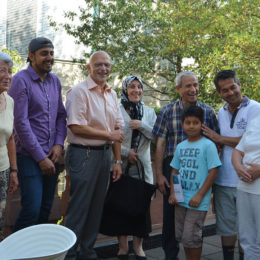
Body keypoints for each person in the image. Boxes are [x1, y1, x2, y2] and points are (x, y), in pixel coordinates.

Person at [152, 71, 219, 260]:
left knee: (195, 215)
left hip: (199, 172)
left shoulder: (208, 111)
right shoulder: (167, 111)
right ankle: (171, 255)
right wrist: (159, 175)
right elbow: (160, 144)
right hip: (173, 170)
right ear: (178, 89)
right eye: (188, 86)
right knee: (172, 214)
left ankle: (193, 251)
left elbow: (216, 142)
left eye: (195, 85)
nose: (193, 89)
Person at [64, 51, 125, 260]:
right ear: (88, 68)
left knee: (96, 208)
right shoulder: (79, 92)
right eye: (98, 64)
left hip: (105, 155)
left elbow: (117, 129)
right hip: (84, 155)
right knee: (79, 208)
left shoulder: (112, 93)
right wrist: (108, 134)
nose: (103, 69)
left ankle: (87, 253)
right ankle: (69, 255)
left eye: (107, 65)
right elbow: (76, 127)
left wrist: (118, 160)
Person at [9, 37, 67, 231]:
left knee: (45, 210)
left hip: (52, 155)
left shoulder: (55, 81)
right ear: (31, 56)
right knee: (31, 211)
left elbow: (60, 115)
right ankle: (13, 253)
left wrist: (59, 144)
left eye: (51, 53)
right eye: (44, 53)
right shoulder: (20, 80)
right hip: (28, 157)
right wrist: (41, 158)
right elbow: (20, 123)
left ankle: (37, 253)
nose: (49, 57)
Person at [202, 70, 260, 260]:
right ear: (219, 93)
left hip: (250, 179)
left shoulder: (255, 109)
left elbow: (249, 140)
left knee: (248, 229)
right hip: (224, 179)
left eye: (232, 87)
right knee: (226, 227)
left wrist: (220, 138)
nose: (230, 92)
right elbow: (227, 144)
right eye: (224, 90)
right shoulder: (222, 111)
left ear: (239, 85)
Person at [100, 76, 157, 260]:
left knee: (141, 207)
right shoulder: (115, 109)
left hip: (142, 167)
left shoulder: (148, 112)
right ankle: (123, 247)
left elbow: (157, 137)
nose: (136, 90)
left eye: (139, 87)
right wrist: (125, 153)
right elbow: (109, 138)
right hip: (120, 166)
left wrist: (142, 125)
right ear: (125, 89)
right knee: (120, 207)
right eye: (132, 87)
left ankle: (138, 247)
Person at [169, 105, 221, 260]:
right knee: (182, 236)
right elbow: (174, 171)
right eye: (188, 122)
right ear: (182, 124)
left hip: (197, 201)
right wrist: (173, 192)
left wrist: (199, 195)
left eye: (195, 122)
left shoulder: (208, 145)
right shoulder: (180, 146)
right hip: (181, 200)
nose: (191, 126)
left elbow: (213, 172)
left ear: (202, 124)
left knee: (192, 236)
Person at [232, 116, 260, 260]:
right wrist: (238, 167)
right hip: (244, 187)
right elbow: (238, 150)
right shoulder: (255, 121)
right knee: (247, 239)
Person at [0, 51, 19, 240]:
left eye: (10, 71)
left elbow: (10, 137)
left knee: (0, 221)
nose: (7, 76)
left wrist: (13, 170)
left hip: (3, 171)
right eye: (1, 71)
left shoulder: (10, 101)